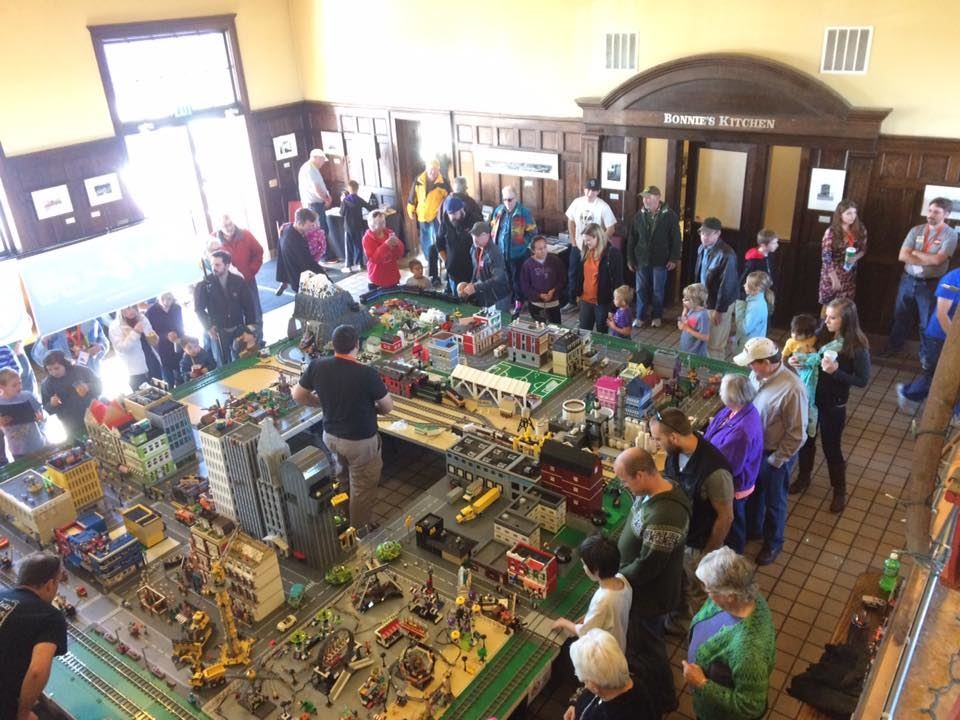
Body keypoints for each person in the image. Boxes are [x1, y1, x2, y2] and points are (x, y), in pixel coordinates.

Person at [292, 325, 393, 534]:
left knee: (343, 479)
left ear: (333, 344)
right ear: (357, 345)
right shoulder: (366, 374)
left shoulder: (317, 366)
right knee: (362, 488)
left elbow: (298, 395)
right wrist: (374, 409)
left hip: (331, 438)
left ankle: (345, 520)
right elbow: (387, 407)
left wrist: (321, 403)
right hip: (360, 443)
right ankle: (359, 532)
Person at [613, 447, 690, 717]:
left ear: (641, 475)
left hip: (649, 597)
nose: (624, 486)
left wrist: (617, 578)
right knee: (649, 641)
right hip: (645, 591)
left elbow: (648, 565)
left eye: (625, 480)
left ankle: (665, 698)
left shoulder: (665, 515)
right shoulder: (658, 490)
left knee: (650, 648)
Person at [650, 408, 734, 628]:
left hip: (698, 544)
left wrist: (707, 554)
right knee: (677, 583)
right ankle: (678, 622)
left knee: (697, 592)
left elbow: (725, 517)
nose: (656, 444)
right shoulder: (676, 453)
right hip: (681, 536)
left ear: (674, 437)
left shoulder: (714, 471)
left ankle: (698, 634)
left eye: (658, 439)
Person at [791, 299, 871, 513]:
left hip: (834, 404)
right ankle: (804, 477)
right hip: (812, 399)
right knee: (807, 440)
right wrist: (799, 361)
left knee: (831, 447)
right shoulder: (822, 334)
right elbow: (810, 355)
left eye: (832, 318)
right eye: (826, 316)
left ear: (846, 320)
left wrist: (836, 372)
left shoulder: (857, 346)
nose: (826, 321)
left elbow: (862, 380)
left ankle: (839, 491)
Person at [734, 338, 808, 566]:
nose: (749, 367)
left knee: (775, 501)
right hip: (755, 449)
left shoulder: (792, 389)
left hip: (776, 453)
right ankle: (754, 530)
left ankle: (773, 543)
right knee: (753, 492)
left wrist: (776, 460)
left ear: (767, 363)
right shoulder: (756, 375)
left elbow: (798, 434)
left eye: (752, 363)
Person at [682, 547, 776, 720]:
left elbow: (750, 707)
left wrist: (702, 683)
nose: (705, 591)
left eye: (709, 589)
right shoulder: (746, 596)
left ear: (729, 596)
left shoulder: (749, 652)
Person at [881, 197, 958, 357]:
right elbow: (902, 255)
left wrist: (915, 252)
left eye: (936, 212)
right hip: (908, 280)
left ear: (946, 214)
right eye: (930, 210)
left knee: (926, 322)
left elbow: (938, 260)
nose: (931, 215)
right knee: (900, 316)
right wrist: (926, 258)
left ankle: (926, 356)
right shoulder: (916, 230)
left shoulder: (950, 235)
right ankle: (893, 348)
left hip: (930, 284)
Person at [0, 552, 68, 720]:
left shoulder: (2, 596)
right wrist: (23, 713)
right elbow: (37, 671)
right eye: (58, 583)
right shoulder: (50, 616)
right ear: (50, 584)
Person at [704, 374, 764, 553]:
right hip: (731, 478)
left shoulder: (741, 431)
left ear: (732, 398)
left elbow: (730, 467)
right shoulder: (734, 410)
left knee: (733, 526)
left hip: (735, 487)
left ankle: (735, 555)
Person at [551, 535, 632, 653]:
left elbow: (584, 632)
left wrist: (564, 623)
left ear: (596, 570)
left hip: (604, 654)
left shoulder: (603, 600)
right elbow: (610, 614)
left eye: (584, 565)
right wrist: (589, 616)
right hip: (619, 643)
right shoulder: (622, 580)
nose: (584, 568)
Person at [897, 266, 960, 414]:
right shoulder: (952, 279)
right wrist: (955, 341)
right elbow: (942, 314)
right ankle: (908, 394)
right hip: (939, 337)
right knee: (935, 375)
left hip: (954, 338)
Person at [563, 629, 659, 720]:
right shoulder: (621, 677)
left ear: (594, 686)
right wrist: (575, 704)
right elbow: (588, 693)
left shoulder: (613, 715)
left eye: (585, 681)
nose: (585, 685)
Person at [627, 185, 681, 328]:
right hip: (641, 259)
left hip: (661, 260)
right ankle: (640, 316)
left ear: (658, 198)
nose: (645, 200)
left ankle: (657, 316)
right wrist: (630, 259)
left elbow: (676, 239)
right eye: (644, 198)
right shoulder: (638, 216)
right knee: (640, 289)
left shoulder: (670, 216)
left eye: (648, 197)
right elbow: (632, 239)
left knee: (658, 290)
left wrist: (674, 258)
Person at [194, 250, 258, 365]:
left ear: (227, 265)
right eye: (212, 264)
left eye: (217, 265)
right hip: (218, 331)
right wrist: (208, 326)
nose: (214, 268)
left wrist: (250, 325)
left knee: (244, 359)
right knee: (223, 363)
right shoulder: (204, 285)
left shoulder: (238, 281)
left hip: (238, 327)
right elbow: (199, 309)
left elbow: (248, 304)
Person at [565, 179, 617, 312]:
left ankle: (588, 302)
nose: (590, 193)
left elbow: (611, 228)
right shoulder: (577, 202)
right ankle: (572, 301)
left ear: (598, 191)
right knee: (573, 273)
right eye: (588, 189)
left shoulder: (603, 206)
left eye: (594, 190)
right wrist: (573, 240)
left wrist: (600, 243)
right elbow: (570, 221)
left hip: (594, 249)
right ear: (584, 189)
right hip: (578, 246)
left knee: (592, 276)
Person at [695, 217, 740, 360]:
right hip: (705, 300)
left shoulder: (727, 254)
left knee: (716, 344)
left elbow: (727, 285)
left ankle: (716, 371)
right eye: (702, 233)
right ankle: (705, 368)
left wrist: (719, 310)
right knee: (704, 338)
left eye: (708, 234)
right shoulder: (702, 248)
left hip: (719, 303)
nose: (704, 237)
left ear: (718, 234)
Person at [490, 185, 538, 313]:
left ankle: (519, 302)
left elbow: (533, 232)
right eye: (505, 199)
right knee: (505, 279)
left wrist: (524, 244)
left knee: (518, 280)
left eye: (510, 199)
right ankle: (509, 301)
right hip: (501, 253)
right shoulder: (499, 211)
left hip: (518, 254)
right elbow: (493, 228)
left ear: (516, 198)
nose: (507, 202)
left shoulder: (524, 212)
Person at [573, 223, 624, 333]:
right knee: (583, 332)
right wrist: (577, 293)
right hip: (585, 300)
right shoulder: (586, 251)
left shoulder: (613, 254)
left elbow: (618, 282)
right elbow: (580, 275)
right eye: (585, 240)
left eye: (588, 240)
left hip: (603, 303)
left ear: (598, 237)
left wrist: (614, 307)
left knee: (602, 333)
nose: (586, 243)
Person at [39, 351, 100, 443]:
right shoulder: (47, 385)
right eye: (49, 370)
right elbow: (46, 410)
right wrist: (52, 404)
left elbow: (100, 386)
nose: (54, 372)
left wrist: (88, 387)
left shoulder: (81, 371)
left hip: (95, 416)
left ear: (65, 364)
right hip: (73, 425)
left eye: (57, 368)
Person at [213, 214, 264, 322]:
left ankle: (258, 333)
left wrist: (250, 271)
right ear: (219, 227)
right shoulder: (214, 242)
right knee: (235, 316)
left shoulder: (246, 235)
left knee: (255, 312)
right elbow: (209, 262)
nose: (229, 228)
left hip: (247, 281)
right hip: (227, 286)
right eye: (225, 226)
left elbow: (258, 252)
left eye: (230, 224)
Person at [406, 160, 451, 283]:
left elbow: (449, 198)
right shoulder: (419, 180)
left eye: (435, 170)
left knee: (439, 242)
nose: (433, 172)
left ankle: (442, 264)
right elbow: (412, 196)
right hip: (423, 216)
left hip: (437, 218)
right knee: (426, 243)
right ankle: (430, 265)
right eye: (430, 169)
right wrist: (411, 209)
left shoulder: (443, 182)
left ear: (438, 170)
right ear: (426, 169)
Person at [818, 200, 867, 311]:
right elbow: (826, 257)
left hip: (849, 272)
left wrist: (855, 257)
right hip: (832, 272)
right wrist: (834, 279)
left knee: (845, 307)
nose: (852, 216)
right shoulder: (831, 231)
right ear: (840, 215)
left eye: (854, 213)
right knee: (829, 305)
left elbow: (863, 249)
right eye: (848, 213)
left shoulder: (860, 229)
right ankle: (825, 322)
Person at [782, 314, 820, 439]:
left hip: (811, 375)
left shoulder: (815, 340)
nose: (794, 335)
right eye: (792, 331)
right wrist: (789, 368)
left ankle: (811, 426)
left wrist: (813, 353)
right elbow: (784, 358)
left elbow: (817, 357)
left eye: (798, 334)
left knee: (810, 400)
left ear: (809, 334)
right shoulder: (790, 342)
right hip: (796, 373)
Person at [458, 222, 511, 312]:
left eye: (478, 235)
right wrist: (471, 284)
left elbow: (498, 278)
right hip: (485, 294)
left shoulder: (494, 253)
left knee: (499, 319)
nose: (474, 238)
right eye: (473, 235)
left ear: (487, 235)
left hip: (498, 296)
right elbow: (476, 270)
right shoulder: (474, 249)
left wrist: (476, 287)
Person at [109, 305, 163, 390]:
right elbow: (121, 348)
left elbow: (153, 341)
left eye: (134, 307)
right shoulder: (115, 327)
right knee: (145, 397)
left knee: (163, 394)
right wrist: (135, 332)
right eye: (128, 308)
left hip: (153, 364)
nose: (132, 310)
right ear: (121, 310)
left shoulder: (142, 318)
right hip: (135, 372)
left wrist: (153, 337)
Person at [31, 321, 109, 375]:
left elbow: (104, 342)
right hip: (66, 382)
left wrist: (100, 347)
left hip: (93, 374)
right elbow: (40, 360)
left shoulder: (89, 321)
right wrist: (44, 341)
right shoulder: (50, 329)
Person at [0, 369, 45, 460]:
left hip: (37, 444)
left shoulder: (28, 396)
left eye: (20, 383)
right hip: (17, 450)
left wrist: (40, 416)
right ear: (2, 387)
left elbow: (41, 412)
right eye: (14, 385)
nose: (19, 387)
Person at [519, 235, 566, 324]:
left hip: (553, 303)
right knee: (538, 328)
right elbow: (525, 286)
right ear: (533, 250)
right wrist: (539, 295)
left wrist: (554, 290)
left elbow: (562, 280)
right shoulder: (527, 265)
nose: (543, 251)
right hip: (536, 304)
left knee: (556, 327)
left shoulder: (555, 261)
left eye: (545, 247)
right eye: (540, 249)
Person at [277, 208, 324, 293]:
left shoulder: (286, 228)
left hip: (291, 272)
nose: (312, 228)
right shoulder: (296, 242)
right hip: (300, 280)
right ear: (300, 223)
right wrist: (326, 278)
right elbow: (308, 264)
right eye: (310, 225)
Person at [437, 196, 477, 296]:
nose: (452, 217)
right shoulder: (445, 220)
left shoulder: (473, 221)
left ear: (461, 210)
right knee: (455, 301)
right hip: (453, 273)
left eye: (454, 214)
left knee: (471, 301)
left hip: (470, 272)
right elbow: (439, 243)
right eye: (450, 214)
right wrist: (446, 262)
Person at [145, 292, 185, 388]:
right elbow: (150, 334)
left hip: (176, 344)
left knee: (181, 372)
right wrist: (165, 336)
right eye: (164, 298)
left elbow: (180, 324)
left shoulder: (176, 308)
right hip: (161, 347)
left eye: (169, 298)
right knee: (168, 379)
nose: (166, 301)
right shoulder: (150, 312)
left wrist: (179, 335)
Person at [298, 149, 333, 256]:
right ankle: (324, 256)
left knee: (321, 229)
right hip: (314, 205)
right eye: (322, 160)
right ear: (316, 158)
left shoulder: (312, 168)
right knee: (319, 230)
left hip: (315, 204)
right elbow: (316, 188)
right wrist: (326, 199)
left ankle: (324, 255)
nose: (323, 163)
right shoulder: (309, 169)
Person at [362, 210, 404, 290]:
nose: (383, 225)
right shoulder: (367, 239)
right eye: (380, 223)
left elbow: (400, 253)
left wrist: (397, 244)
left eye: (383, 222)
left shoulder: (389, 233)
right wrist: (386, 245)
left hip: (392, 276)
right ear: (371, 224)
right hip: (377, 277)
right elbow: (374, 259)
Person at [735, 271, 773, 353]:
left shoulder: (756, 306)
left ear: (756, 289)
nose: (744, 285)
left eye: (747, 284)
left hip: (749, 349)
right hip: (752, 345)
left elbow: (745, 328)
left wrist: (739, 307)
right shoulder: (756, 301)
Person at [341, 180, 374, 272]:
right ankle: (360, 264)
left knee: (349, 246)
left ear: (348, 189)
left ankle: (349, 266)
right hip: (358, 226)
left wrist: (341, 201)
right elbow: (369, 207)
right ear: (357, 189)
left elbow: (342, 213)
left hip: (348, 227)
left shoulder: (345, 201)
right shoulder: (359, 199)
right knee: (359, 245)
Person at [739, 228, 780, 294]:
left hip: (767, 292)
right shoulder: (753, 261)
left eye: (776, 242)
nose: (777, 245)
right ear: (763, 245)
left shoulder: (771, 256)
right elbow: (743, 282)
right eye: (773, 243)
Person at [678, 283, 711, 357]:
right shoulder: (692, 310)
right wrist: (685, 309)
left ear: (694, 301)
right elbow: (684, 320)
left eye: (686, 299)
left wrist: (687, 329)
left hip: (695, 354)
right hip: (686, 350)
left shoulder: (703, 315)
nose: (683, 300)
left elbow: (705, 337)